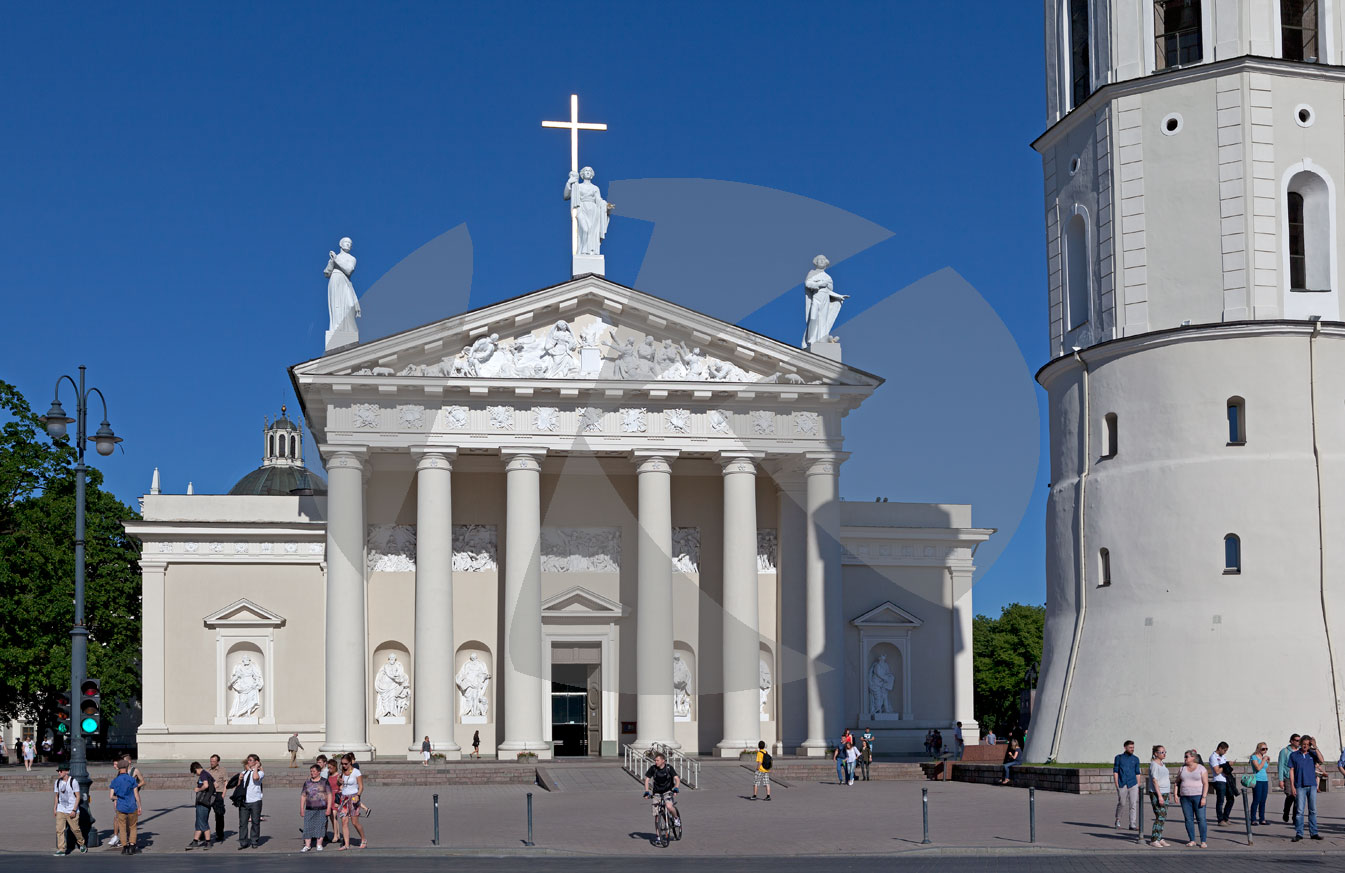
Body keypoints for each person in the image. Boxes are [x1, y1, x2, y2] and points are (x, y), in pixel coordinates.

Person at [1288, 733, 1323, 841]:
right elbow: (1292, 771)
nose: (1305, 746)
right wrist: (1292, 786)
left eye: (1308, 745)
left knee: (1313, 810)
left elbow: (1321, 760)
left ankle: (1314, 833)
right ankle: (1299, 833)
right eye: (1303, 744)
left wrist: (1315, 747)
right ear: (1300, 744)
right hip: (1300, 786)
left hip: (1312, 785)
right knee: (1299, 811)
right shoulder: (1294, 755)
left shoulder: (1312, 754)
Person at [52, 763, 87, 856]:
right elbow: (56, 796)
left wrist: (74, 810)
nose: (59, 773)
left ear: (66, 772)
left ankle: (82, 843)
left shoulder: (73, 782)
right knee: (59, 830)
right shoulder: (57, 782)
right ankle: (61, 849)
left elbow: (78, 796)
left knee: (75, 829)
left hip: (71, 809)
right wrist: (55, 808)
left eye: (61, 771)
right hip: (61, 809)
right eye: (58, 771)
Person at [1177, 749, 1209, 848]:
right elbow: (1177, 781)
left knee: (1201, 819)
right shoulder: (1182, 768)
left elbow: (1205, 783)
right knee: (1188, 819)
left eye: (1187, 756)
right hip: (1185, 797)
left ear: (1193, 758)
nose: (1185, 758)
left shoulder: (1201, 768)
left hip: (1198, 796)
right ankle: (1192, 840)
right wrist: (1175, 794)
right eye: (1185, 756)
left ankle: (1203, 840)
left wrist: (1204, 797)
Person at [108, 759, 141, 855]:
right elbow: (136, 795)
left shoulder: (115, 780)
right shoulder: (132, 780)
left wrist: (118, 798)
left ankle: (125, 847)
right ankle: (132, 846)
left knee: (122, 827)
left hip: (120, 807)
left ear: (118, 768)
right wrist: (139, 806)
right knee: (133, 826)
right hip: (131, 806)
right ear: (127, 768)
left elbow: (111, 796)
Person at [642, 752, 681, 830]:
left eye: (657, 760)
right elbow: (647, 780)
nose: (656, 762)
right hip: (656, 793)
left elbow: (677, 779)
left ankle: (676, 818)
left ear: (663, 760)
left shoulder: (669, 768)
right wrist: (646, 791)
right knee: (657, 814)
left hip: (668, 791)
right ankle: (658, 837)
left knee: (669, 806)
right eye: (655, 760)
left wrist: (676, 788)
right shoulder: (653, 768)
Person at [299, 764, 333, 853]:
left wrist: (329, 808)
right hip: (309, 808)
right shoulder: (307, 783)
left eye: (314, 771)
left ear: (319, 772)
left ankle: (319, 844)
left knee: (320, 826)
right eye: (311, 771)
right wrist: (301, 809)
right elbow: (303, 796)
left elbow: (329, 795)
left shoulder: (324, 782)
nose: (312, 773)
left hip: (322, 808)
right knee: (307, 827)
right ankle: (307, 845)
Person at [336, 753, 367, 849]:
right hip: (344, 798)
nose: (344, 766)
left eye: (346, 764)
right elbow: (340, 784)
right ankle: (346, 844)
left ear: (350, 762)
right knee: (344, 821)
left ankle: (363, 839)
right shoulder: (342, 772)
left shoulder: (356, 772)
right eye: (342, 764)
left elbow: (361, 786)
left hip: (354, 797)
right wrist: (339, 781)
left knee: (354, 822)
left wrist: (358, 795)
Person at [237, 753, 264, 849]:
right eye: (248, 760)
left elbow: (255, 778)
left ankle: (254, 841)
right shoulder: (245, 772)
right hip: (244, 801)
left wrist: (256, 768)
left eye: (251, 760)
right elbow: (240, 786)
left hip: (255, 801)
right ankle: (243, 842)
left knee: (255, 822)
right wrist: (240, 779)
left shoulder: (260, 773)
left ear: (256, 762)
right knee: (243, 823)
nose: (248, 762)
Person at [1147, 745, 1173, 847]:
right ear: (1155, 754)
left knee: (1163, 816)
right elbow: (1154, 780)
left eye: (1165, 752)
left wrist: (1169, 793)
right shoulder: (1154, 764)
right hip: (1157, 793)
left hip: (1165, 792)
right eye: (1162, 752)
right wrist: (1159, 796)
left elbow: (1166, 778)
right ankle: (1154, 839)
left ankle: (1159, 837)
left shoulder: (1162, 763)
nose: (1164, 754)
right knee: (1160, 816)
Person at [1208, 741, 1238, 825]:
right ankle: (1220, 820)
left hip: (1226, 779)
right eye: (1224, 750)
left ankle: (1226, 817)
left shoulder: (1223, 757)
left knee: (1231, 799)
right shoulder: (1213, 757)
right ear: (1219, 748)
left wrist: (1227, 765)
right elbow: (1217, 771)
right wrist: (1227, 765)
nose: (1225, 752)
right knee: (1220, 801)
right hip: (1218, 780)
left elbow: (1224, 768)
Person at [1113, 740, 1141, 830]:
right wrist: (1117, 784)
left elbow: (1137, 773)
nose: (1132, 749)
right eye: (1130, 747)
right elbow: (1116, 771)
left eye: (1133, 747)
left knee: (1133, 804)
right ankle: (1118, 819)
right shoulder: (1119, 758)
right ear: (1125, 747)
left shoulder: (1136, 759)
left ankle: (1132, 824)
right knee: (1122, 803)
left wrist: (1138, 784)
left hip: (1133, 784)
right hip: (1122, 783)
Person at [188, 762, 215, 850]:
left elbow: (206, 785)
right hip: (205, 802)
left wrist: (198, 789)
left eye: (195, 772)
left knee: (203, 822)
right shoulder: (207, 774)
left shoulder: (203, 774)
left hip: (203, 802)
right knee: (199, 822)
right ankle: (195, 841)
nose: (196, 774)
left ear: (196, 769)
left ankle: (208, 842)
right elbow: (216, 784)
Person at [1279, 733, 1301, 824]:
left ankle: (1295, 817)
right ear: (1291, 741)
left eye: (1299, 740)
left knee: (1298, 798)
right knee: (1290, 796)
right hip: (1288, 777)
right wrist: (1281, 779)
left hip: (1298, 777)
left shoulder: (1300, 751)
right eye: (1296, 740)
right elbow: (1280, 765)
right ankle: (1286, 811)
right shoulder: (1285, 751)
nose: (1298, 742)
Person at [1249, 742, 1272, 825]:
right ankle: (1253, 818)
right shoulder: (1254, 757)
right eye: (1263, 749)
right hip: (1257, 780)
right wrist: (1264, 760)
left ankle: (1262, 818)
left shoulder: (1263, 757)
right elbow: (1258, 768)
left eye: (1266, 749)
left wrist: (1267, 762)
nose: (1265, 750)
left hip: (1264, 780)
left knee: (1263, 800)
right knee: (1256, 799)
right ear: (1258, 749)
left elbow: (1264, 769)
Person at [207, 754, 227, 844]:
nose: (212, 763)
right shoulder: (207, 770)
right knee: (204, 814)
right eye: (211, 761)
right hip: (208, 794)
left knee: (219, 815)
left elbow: (226, 782)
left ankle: (220, 834)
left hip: (218, 793)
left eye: (214, 761)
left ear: (218, 762)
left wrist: (224, 793)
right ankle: (204, 834)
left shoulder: (222, 770)